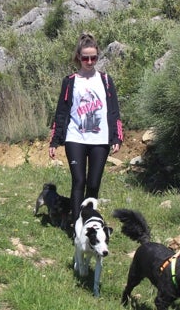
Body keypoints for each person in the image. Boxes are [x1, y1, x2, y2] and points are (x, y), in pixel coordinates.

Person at [48, 32, 123, 224]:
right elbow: (61, 112)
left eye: (93, 57)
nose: (89, 61)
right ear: (78, 58)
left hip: (100, 139)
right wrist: (55, 140)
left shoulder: (106, 80)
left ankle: (90, 220)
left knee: (94, 183)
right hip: (75, 138)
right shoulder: (70, 81)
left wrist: (116, 137)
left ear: (97, 56)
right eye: (85, 58)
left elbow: (114, 110)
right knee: (79, 181)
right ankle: (76, 226)